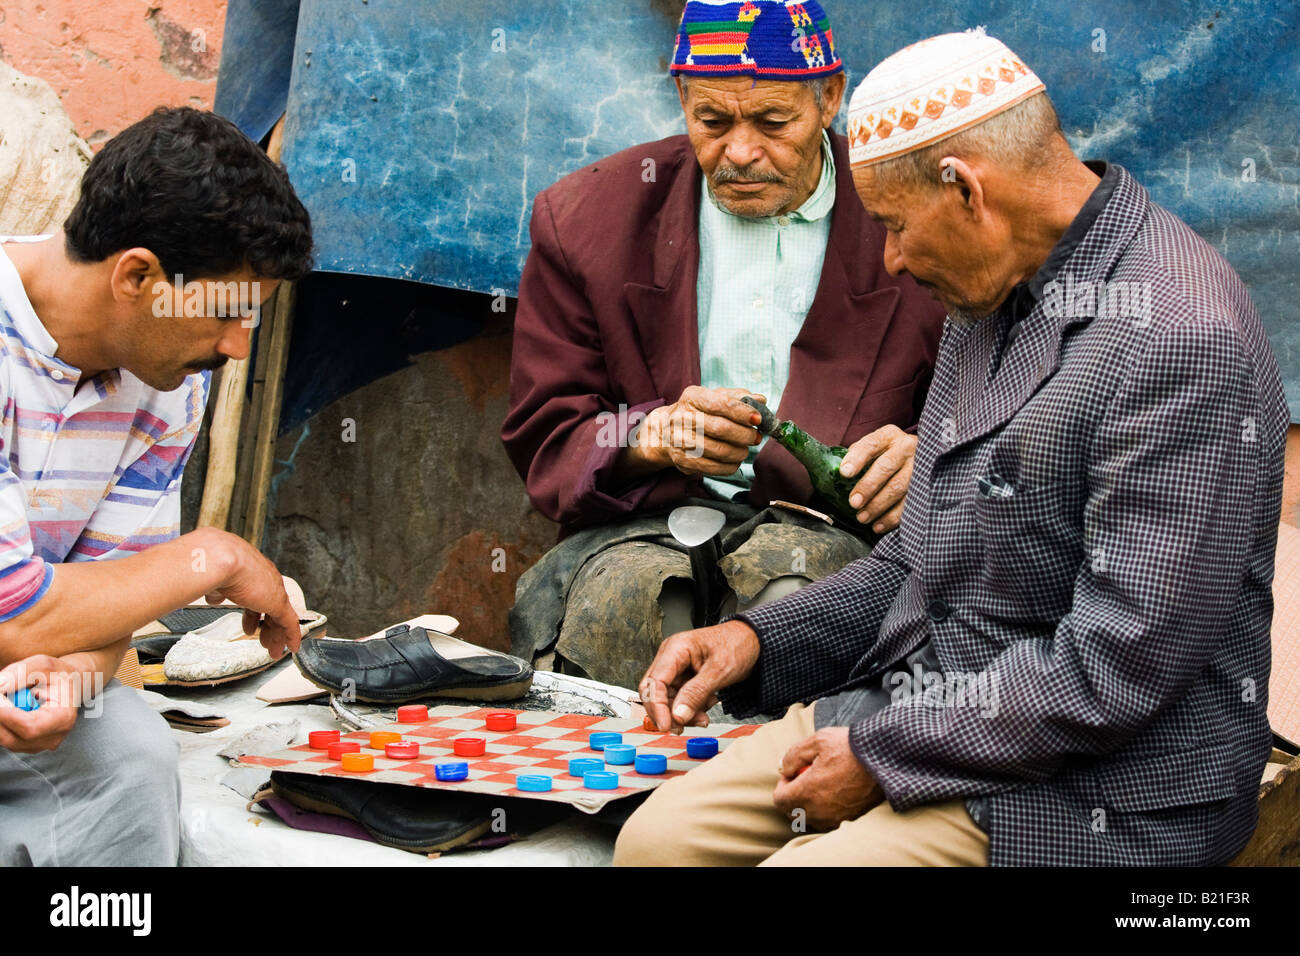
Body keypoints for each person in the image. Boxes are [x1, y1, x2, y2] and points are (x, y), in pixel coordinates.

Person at [614, 28, 1288, 866]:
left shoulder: (1181, 340)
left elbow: (1114, 672)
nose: (891, 258)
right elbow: (916, 563)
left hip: (1097, 786)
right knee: (658, 843)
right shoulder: (989, 287)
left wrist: (882, 757)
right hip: (916, 704)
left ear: (967, 191)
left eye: (895, 225)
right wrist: (755, 640)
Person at [502, 0, 945, 689]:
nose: (739, 152)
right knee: (632, 611)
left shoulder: (914, 212)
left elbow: (1003, 402)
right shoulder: (589, 218)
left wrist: (929, 458)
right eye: (712, 122)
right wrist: (649, 435)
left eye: (773, 122)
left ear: (829, 97)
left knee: (794, 607)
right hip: (645, 526)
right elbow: (548, 432)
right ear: (681, 97)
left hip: (844, 538)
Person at [0, 106, 314, 866]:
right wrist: (217, 558)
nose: (238, 346)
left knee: (128, 748)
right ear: (137, 276)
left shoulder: (167, 383)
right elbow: (19, 616)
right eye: (228, 314)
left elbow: (106, 606)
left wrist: (65, 685)